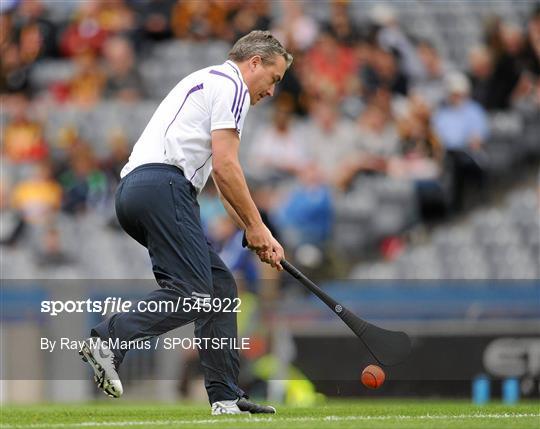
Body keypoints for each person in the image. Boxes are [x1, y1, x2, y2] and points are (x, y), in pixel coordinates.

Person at [78, 30, 291, 415]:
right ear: (254, 63)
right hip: (164, 187)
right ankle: (110, 338)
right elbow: (228, 166)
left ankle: (226, 397)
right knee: (194, 291)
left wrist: (255, 232)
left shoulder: (207, 81)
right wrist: (259, 227)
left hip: (135, 192)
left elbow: (224, 187)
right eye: (273, 79)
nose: (272, 91)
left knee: (220, 284)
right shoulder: (233, 86)